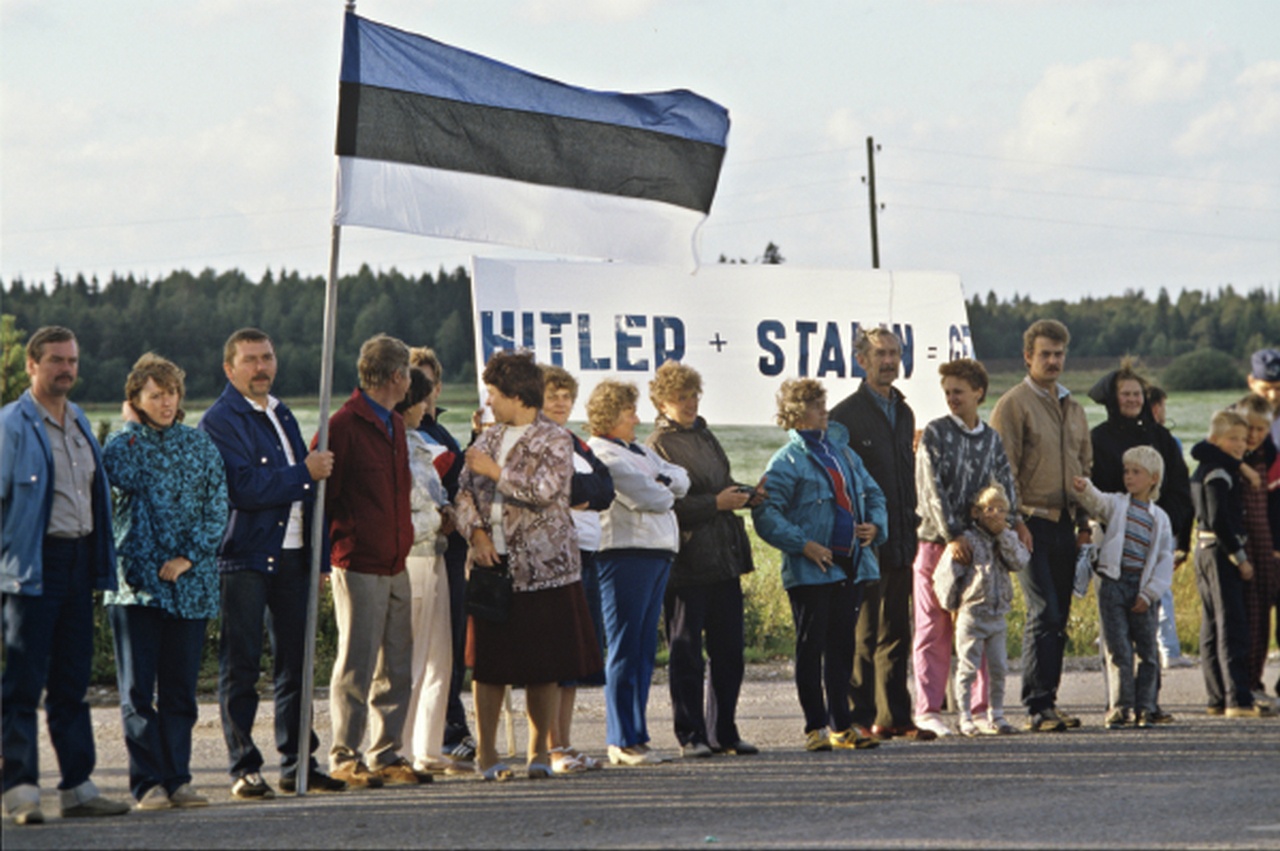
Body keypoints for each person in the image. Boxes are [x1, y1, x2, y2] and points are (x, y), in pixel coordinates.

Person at [198, 328, 347, 798]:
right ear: (230, 368)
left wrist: (318, 556)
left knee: (297, 663)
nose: (261, 367)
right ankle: (244, 765)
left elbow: (308, 493)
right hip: (245, 555)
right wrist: (304, 472)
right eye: (250, 360)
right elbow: (243, 487)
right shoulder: (221, 420)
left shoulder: (280, 412)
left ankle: (299, 762)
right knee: (242, 662)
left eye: (267, 357)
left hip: (295, 556)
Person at [1, 326, 132, 825]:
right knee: (21, 684)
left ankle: (77, 787)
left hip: (79, 563)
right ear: (32, 365)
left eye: (72, 361)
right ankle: (20, 791)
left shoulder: (76, 419)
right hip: (32, 567)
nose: (67, 370)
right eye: (56, 360)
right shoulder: (10, 426)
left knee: (72, 682)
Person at [454, 351, 603, 781]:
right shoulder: (486, 438)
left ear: (518, 396)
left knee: (544, 665)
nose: (490, 402)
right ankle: (487, 753)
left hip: (545, 569)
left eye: (495, 394)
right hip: (492, 569)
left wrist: (497, 472)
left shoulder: (556, 439)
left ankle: (538, 753)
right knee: (489, 665)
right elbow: (462, 494)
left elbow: (547, 490)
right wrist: (476, 535)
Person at [102, 354, 228, 809]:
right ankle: (147, 782)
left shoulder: (200, 446)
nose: (167, 402)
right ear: (135, 400)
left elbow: (218, 507)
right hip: (136, 586)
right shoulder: (121, 446)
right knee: (138, 691)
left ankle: (178, 778)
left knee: (180, 691)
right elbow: (121, 482)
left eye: (172, 393)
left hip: (190, 587)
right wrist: (133, 429)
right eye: (155, 395)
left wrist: (188, 557)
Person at [754, 378, 886, 752]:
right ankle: (815, 727)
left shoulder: (843, 452)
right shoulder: (785, 461)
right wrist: (804, 545)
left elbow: (874, 492)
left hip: (850, 564)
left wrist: (876, 526)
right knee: (811, 647)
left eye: (822, 402)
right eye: (814, 404)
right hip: (812, 568)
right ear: (796, 414)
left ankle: (842, 725)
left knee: (843, 646)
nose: (823, 409)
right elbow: (766, 513)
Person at [324, 334, 424, 788]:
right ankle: (344, 754)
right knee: (356, 663)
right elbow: (325, 497)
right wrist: (327, 560)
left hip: (395, 560)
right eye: (407, 373)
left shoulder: (395, 425)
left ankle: (386, 752)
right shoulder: (343, 426)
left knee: (396, 665)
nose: (411, 382)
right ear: (396, 376)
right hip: (359, 561)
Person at [646, 361, 759, 758]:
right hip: (688, 562)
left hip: (724, 557)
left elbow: (719, 487)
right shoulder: (657, 444)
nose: (690, 402)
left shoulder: (706, 435)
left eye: (694, 394)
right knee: (686, 651)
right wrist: (716, 503)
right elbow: (666, 505)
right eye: (681, 397)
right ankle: (690, 733)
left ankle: (723, 731)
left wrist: (746, 494)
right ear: (662, 401)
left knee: (730, 651)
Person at [829, 327, 931, 742]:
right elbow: (838, 480)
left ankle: (894, 717)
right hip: (865, 542)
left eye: (894, 353)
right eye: (880, 354)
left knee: (897, 631)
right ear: (862, 361)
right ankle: (858, 716)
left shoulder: (904, 412)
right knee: (864, 634)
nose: (889, 361)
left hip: (903, 537)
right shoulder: (845, 415)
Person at [990, 318, 1092, 733]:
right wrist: (1014, 519)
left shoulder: (1074, 407)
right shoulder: (1013, 404)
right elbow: (1002, 467)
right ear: (1027, 356)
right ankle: (1036, 705)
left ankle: (1050, 701)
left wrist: (1086, 522)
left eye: (1059, 354)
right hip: (1029, 520)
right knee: (1044, 610)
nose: (1053, 361)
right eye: (1045, 354)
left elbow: (1085, 466)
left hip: (1066, 522)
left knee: (1060, 614)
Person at [912, 357, 1018, 738]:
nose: (952, 398)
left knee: (980, 626)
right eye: (947, 393)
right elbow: (930, 489)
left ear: (978, 392)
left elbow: (1004, 482)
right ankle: (928, 709)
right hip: (936, 543)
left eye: (959, 391)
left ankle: (980, 709)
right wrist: (951, 534)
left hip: (981, 548)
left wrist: (1014, 522)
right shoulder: (935, 435)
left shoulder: (990, 438)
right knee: (933, 628)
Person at [588, 379, 690, 766]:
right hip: (624, 554)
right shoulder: (604, 454)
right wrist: (664, 486)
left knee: (645, 649)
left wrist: (663, 484)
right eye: (629, 411)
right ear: (610, 416)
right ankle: (620, 737)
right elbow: (654, 495)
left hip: (657, 553)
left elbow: (681, 477)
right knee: (624, 647)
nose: (637, 417)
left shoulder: (640, 451)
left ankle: (637, 733)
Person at [541, 364, 614, 774]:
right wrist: (583, 493)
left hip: (587, 553)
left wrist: (583, 493)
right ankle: (552, 747)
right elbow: (559, 487)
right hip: (556, 553)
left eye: (567, 396)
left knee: (573, 656)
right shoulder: (540, 439)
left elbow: (606, 488)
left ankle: (566, 743)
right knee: (554, 654)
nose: (560, 403)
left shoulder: (576, 442)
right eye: (553, 395)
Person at [1072, 446, 1175, 730]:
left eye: (1136, 472)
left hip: (1141, 588)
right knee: (1117, 649)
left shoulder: (1160, 518)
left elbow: (1164, 561)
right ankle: (1120, 706)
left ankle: (1146, 706)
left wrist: (1150, 593)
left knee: (1147, 650)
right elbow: (1097, 502)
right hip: (1113, 583)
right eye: (1126, 471)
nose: (1129, 477)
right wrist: (1085, 488)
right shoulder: (1117, 504)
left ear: (1153, 478)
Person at [408, 347, 477, 767]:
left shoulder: (440, 431)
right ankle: (447, 731)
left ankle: (447, 728)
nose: (424, 391)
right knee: (429, 646)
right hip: (425, 547)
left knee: (448, 644)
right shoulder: (411, 434)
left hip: (452, 548)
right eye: (416, 382)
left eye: (429, 383)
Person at [1188, 409, 1276, 718]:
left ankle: (1216, 696)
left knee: (1212, 627)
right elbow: (1218, 519)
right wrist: (1240, 558)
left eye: (1243, 439)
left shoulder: (1207, 466)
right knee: (1232, 624)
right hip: (1221, 550)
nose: (1240, 444)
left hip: (1203, 548)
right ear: (1215, 440)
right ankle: (1236, 698)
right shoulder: (1219, 473)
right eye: (1233, 439)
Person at [396, 369, 456, 776]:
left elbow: (437, 493)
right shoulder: (392, 442)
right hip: (410, 555)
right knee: (410, 659)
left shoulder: (419, 440)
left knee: (441, 658)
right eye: (421, 401)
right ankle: (396, 748)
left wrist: (447, 509)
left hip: (435, 552)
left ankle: (428, 749)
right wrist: (440, 517)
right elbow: (411, 505)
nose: (426, 408)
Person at [931, 482, 1027, 737]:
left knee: (999, 668)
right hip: (972, 615)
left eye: (1000, 509)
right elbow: (946, 576)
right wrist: (953, 605)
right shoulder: (968, 541)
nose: (994, 514)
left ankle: (997, 713)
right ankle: (964, 717)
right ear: (977, 512)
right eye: (989, 509)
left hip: (998, 615)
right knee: (967, 668)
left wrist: (1005, 536)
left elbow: (1020, 561)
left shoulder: (1006, 540)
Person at [1231, 394, 1280, 708]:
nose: (1254, 435)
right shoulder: (1228, 452)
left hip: (1267, 541)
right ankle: (1243, 684)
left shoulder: (1270, 453)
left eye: (1262, 429)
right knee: (1246, 615)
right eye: (1250, 428)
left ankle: (1256, 679)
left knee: (1262, 613)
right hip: (1240, 540)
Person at [1146, 384, 1195, 670]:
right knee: (1162, 585)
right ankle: (1170, 648)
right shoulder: (1169, 443)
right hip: (1165, 520)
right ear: (1156, 408)